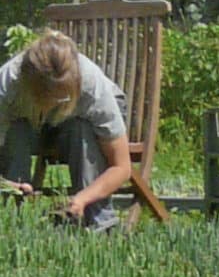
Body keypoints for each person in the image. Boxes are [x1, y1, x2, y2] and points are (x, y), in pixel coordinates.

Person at [0, 30, 134, 230]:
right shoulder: (7, 84)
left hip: (83, 125)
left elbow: (122, 167)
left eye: (60, 99)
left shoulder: (93, 89)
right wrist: (4, 183)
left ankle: (98, 224)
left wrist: (82, 198)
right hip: (31, 125)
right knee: (17, 131)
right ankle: (11, 218)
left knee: (80, 129)